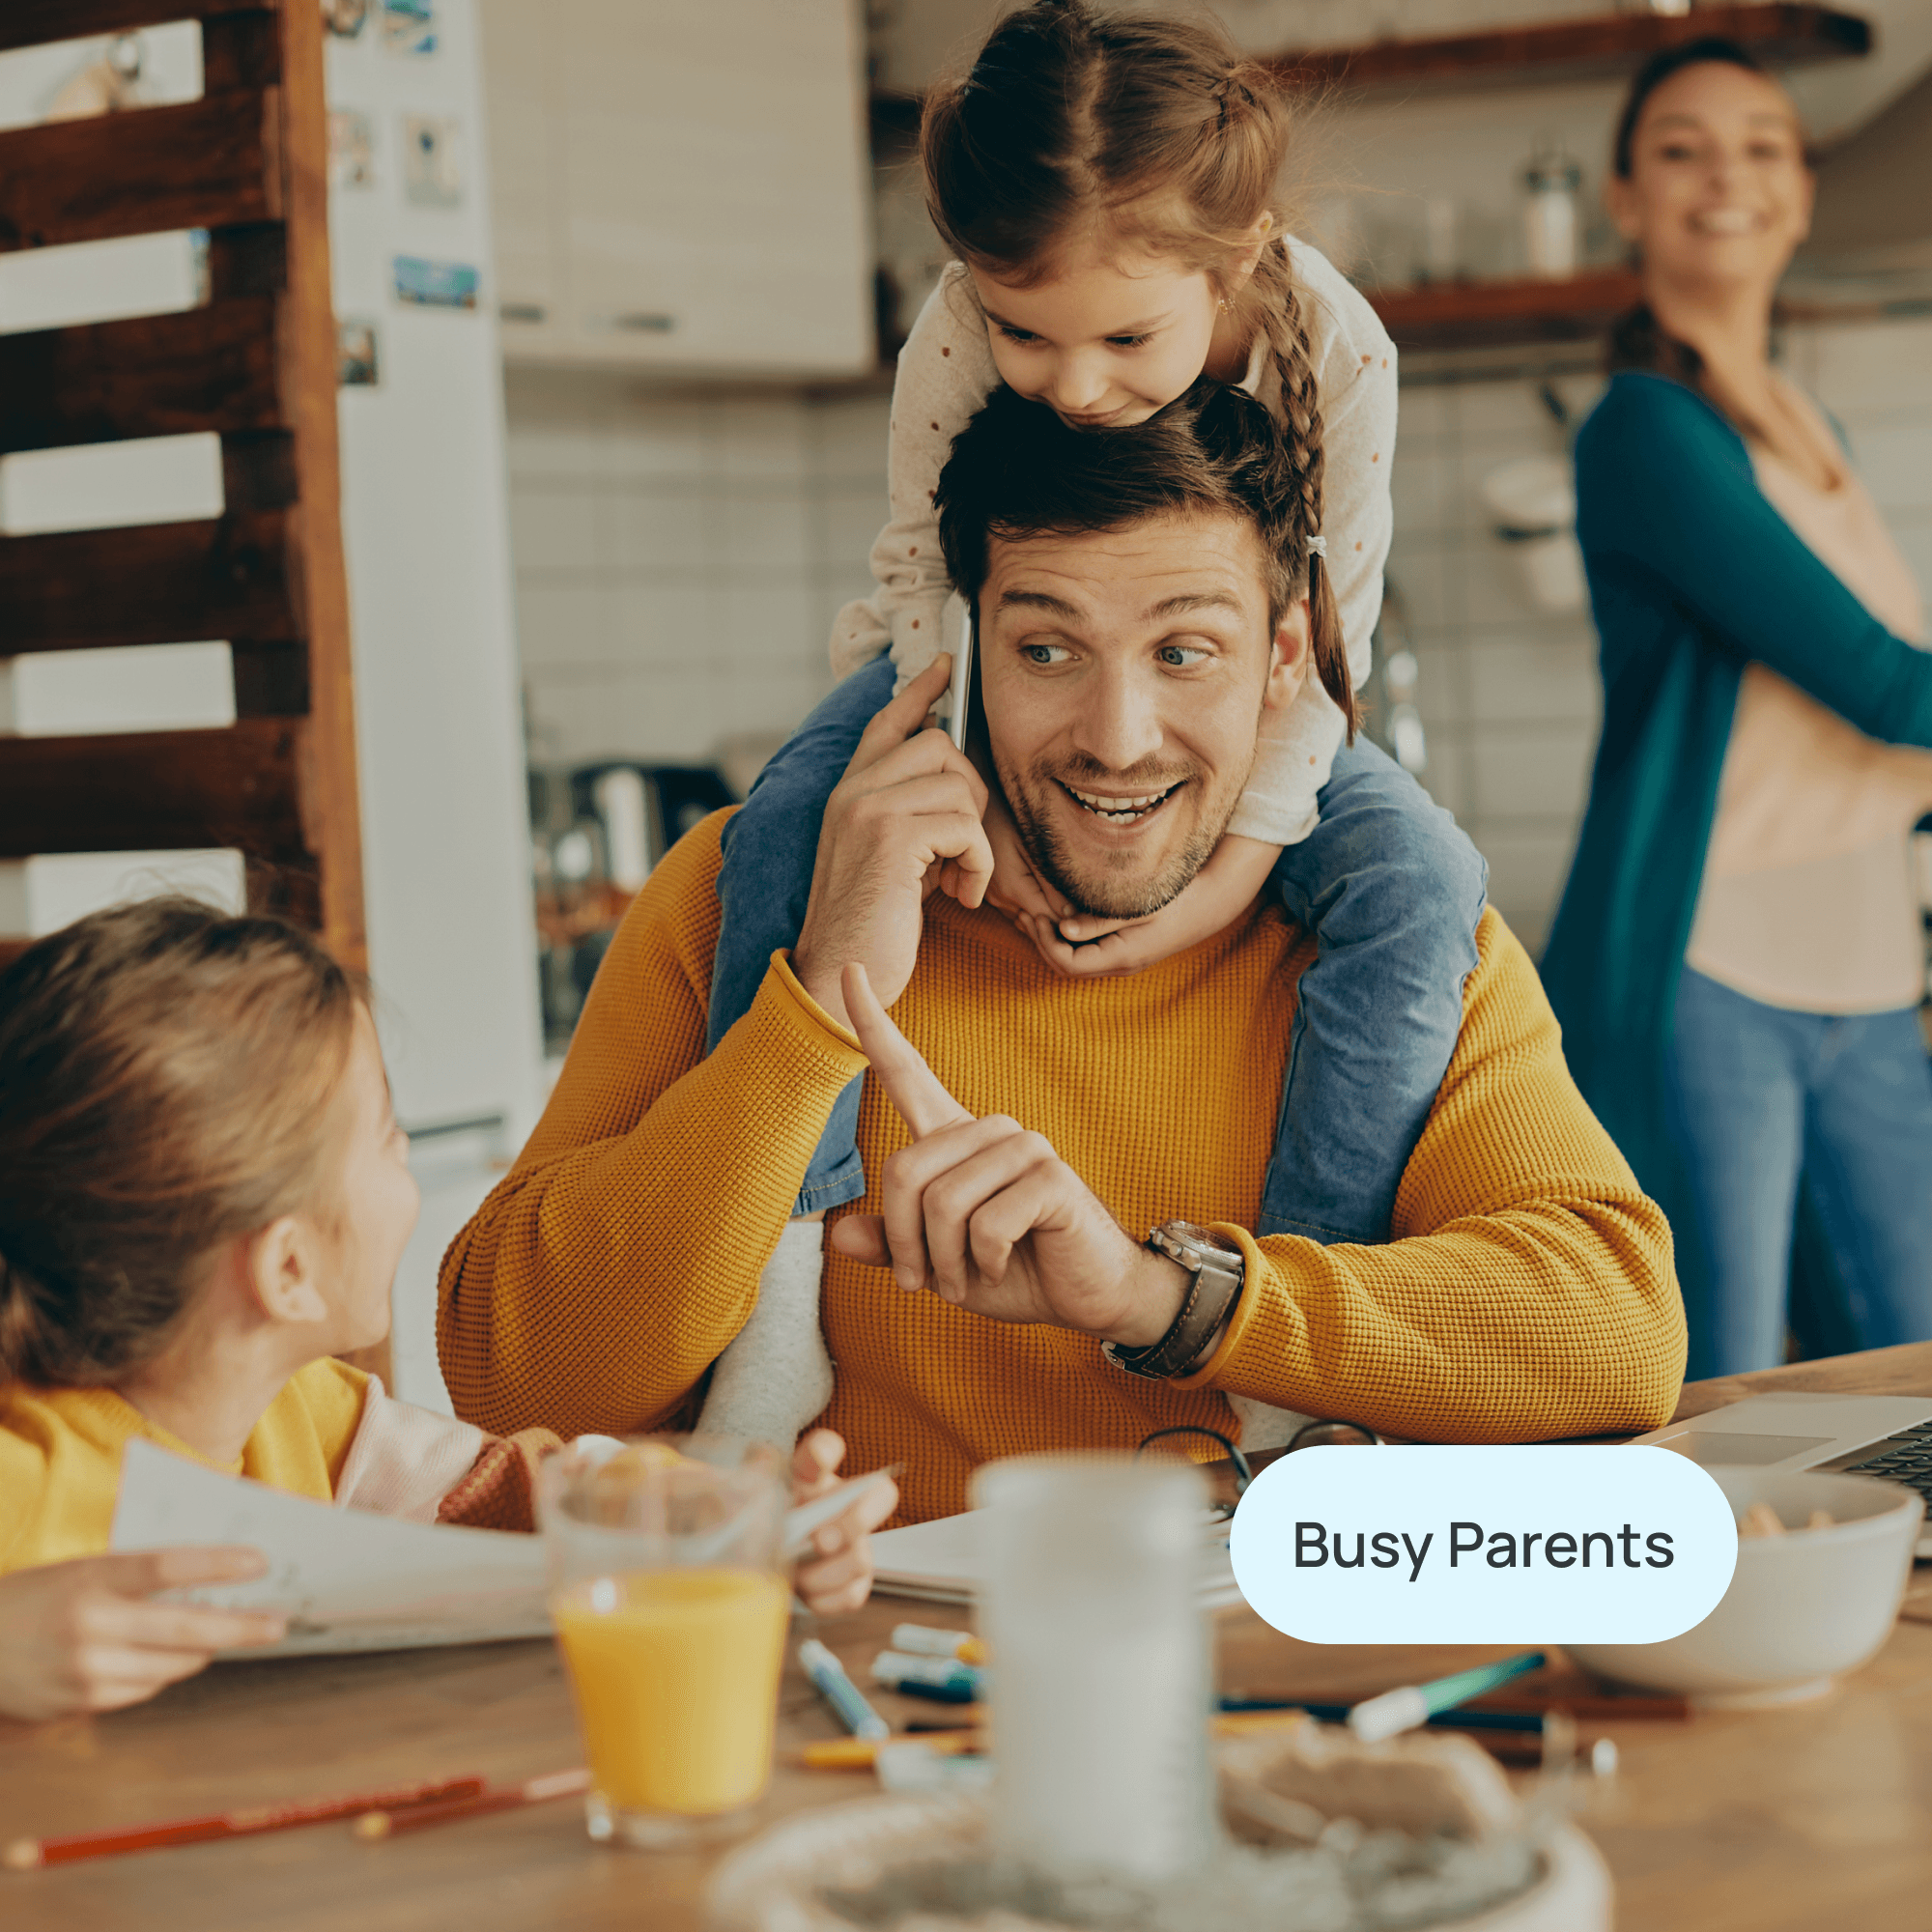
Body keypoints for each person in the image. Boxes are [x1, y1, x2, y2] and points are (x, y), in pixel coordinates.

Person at [439, 379, 1686, 1524]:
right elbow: (509, 1379)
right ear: (957, 649)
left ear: (1284, 661)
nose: (1118, 736)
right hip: (873, 1685)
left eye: (1184, 651)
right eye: (1046, 650)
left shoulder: (1391, 933)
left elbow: (1617, 1335)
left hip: (1274, 1664)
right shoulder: (744, 896)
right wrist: (815, 1004)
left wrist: (1163, 1303)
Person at [693, 0, 1488, 1451]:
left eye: (1127, 336)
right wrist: (969, 774)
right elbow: (923, 578)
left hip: (1280, 729)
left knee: (1423, 881)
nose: (1069, 387)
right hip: (941, 666)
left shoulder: (1342, 350)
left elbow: (1327, 655)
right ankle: (782, 1270)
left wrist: (1229, 882)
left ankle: (1289, 1346)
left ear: (1231, 266)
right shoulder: (954, 329)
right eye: (1026, 334)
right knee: (783, 830)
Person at [0, 900, 893, 1723]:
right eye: (390, 1140)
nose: (407, 1165)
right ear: (289, 1269)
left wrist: (731, 1520)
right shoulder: (25, 1473)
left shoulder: (305, 1409)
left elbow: (510, 1493)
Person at [1540, 41, 1932, 1380]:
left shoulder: (1809, 426)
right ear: (1626, 199)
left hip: (1872, 970)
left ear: (1803, 193)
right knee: (1717, 1391)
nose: (1729, 178)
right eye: (1683, 149)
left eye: (1763, 146)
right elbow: (1880, 685)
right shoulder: (1645, 432)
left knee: (1910, 1380)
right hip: (1713, 970)